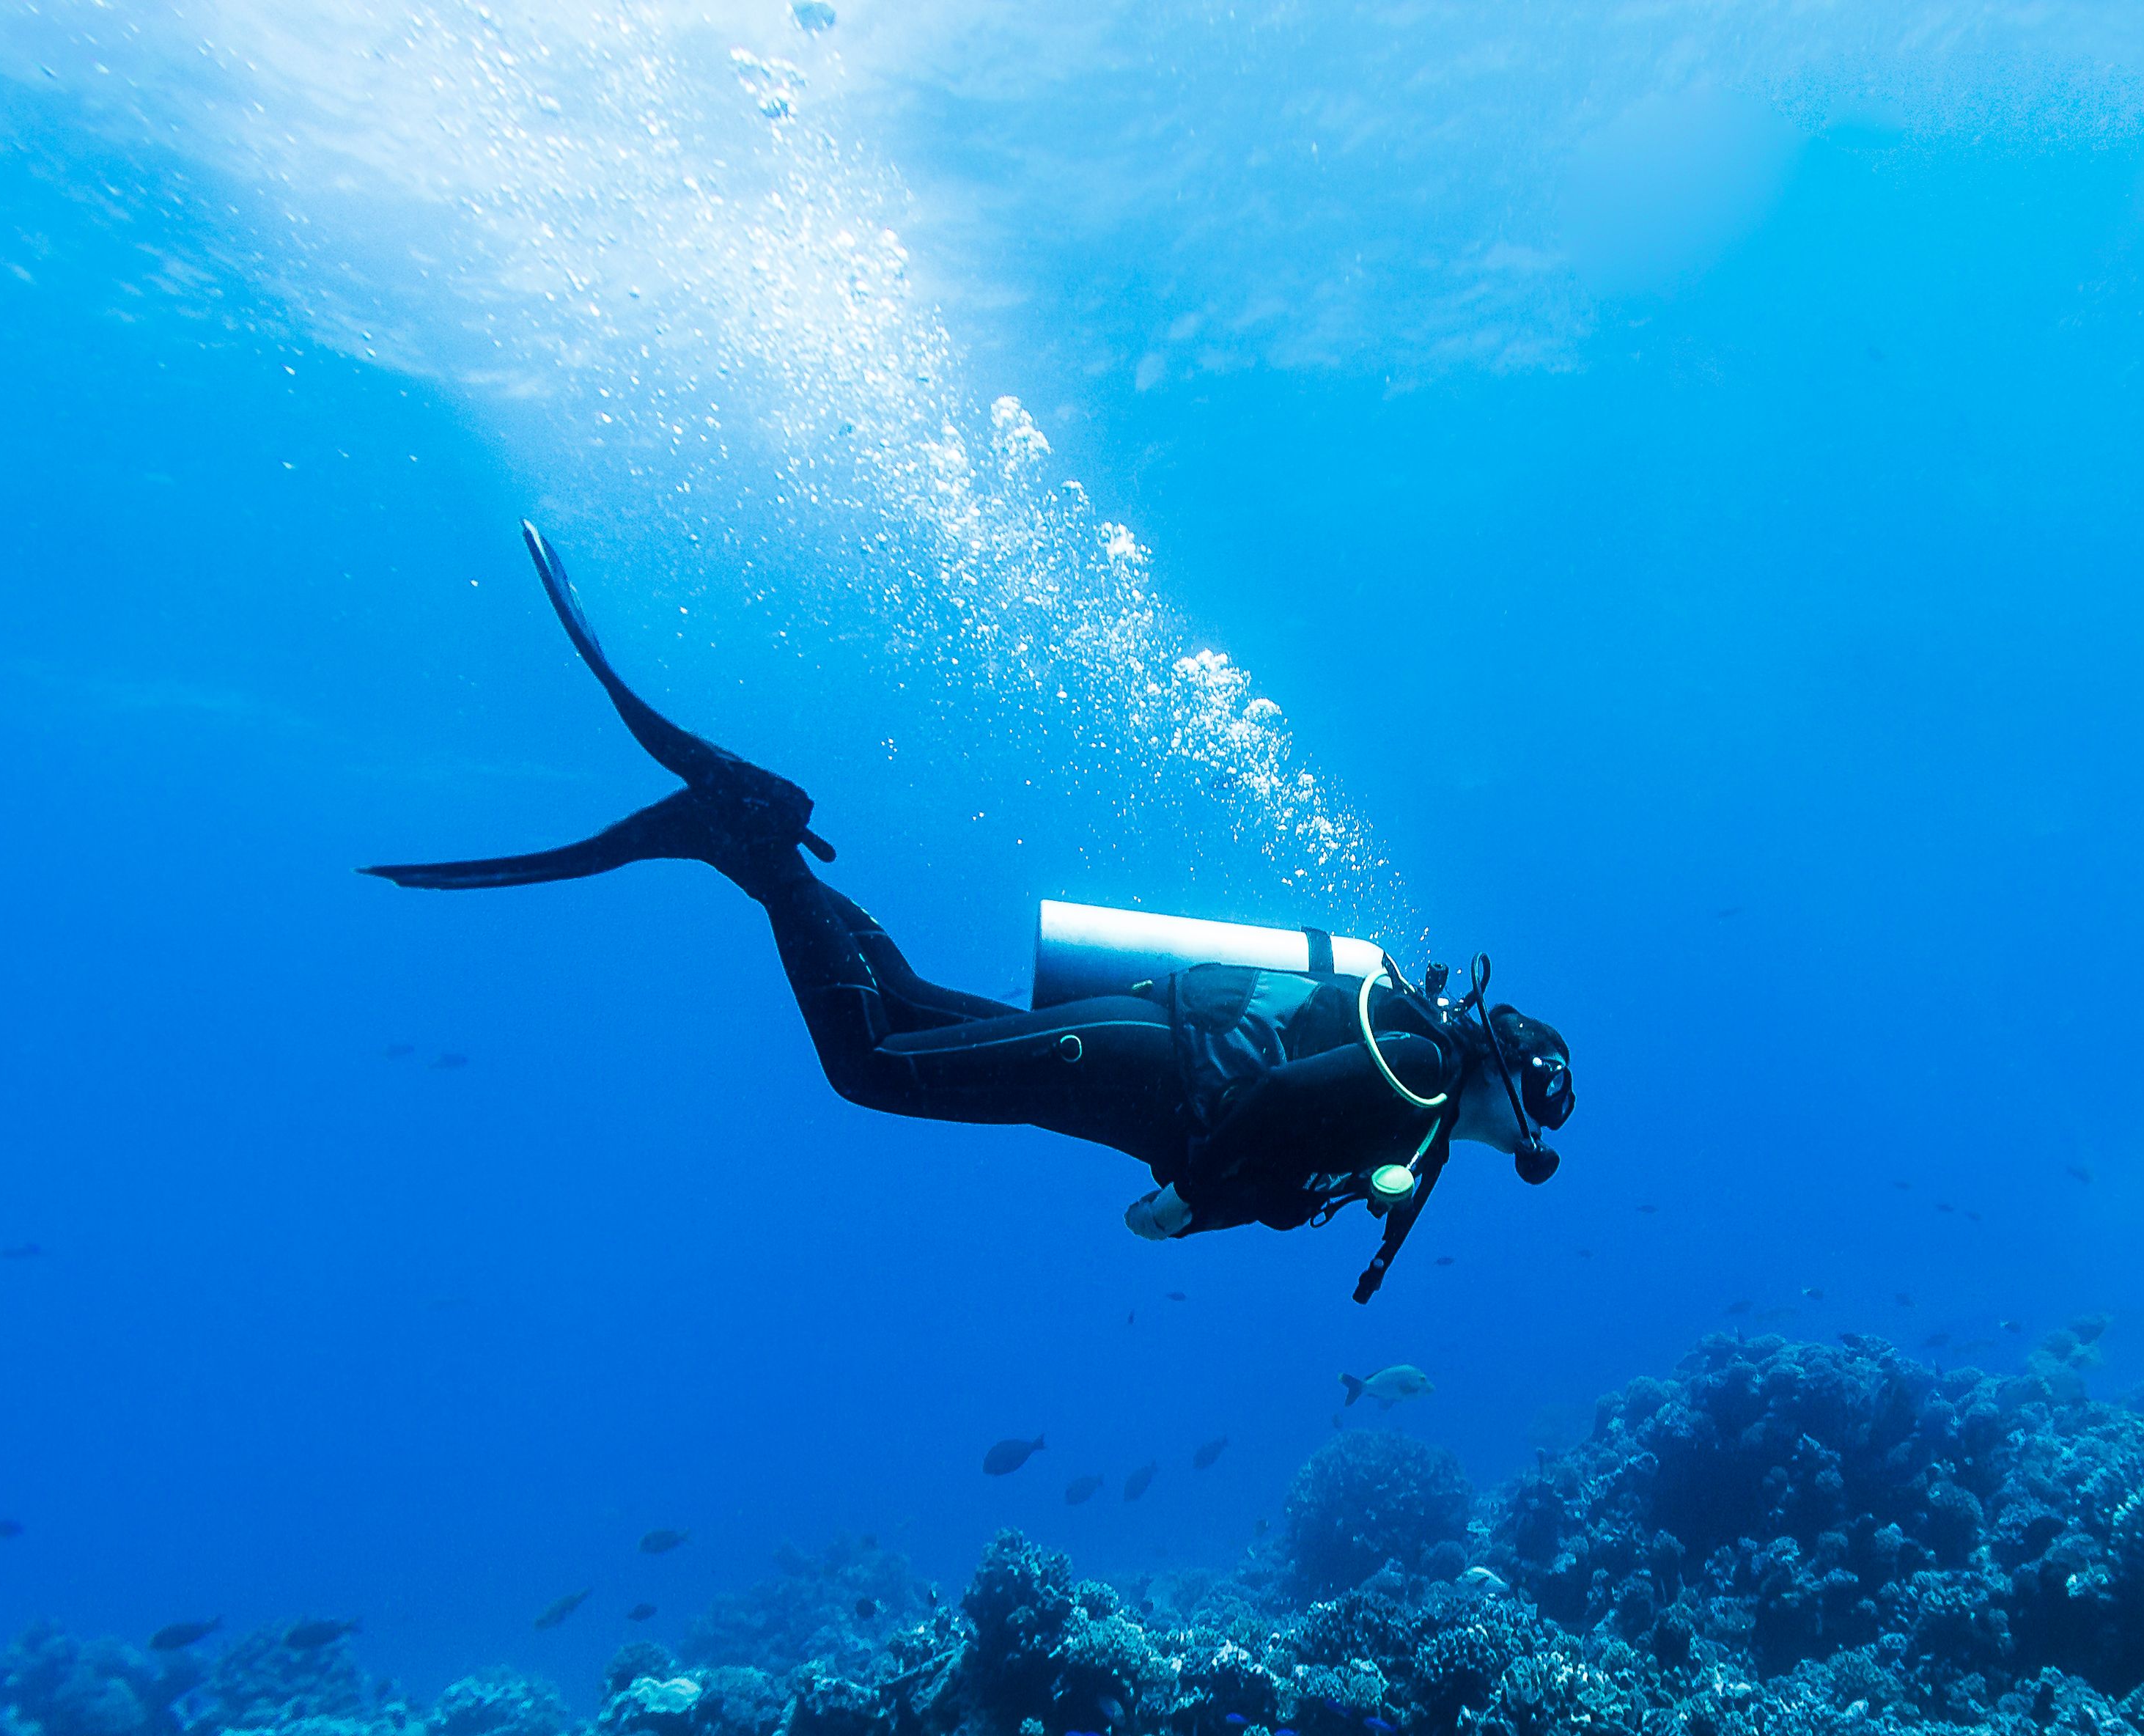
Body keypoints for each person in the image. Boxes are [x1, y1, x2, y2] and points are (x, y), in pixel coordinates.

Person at [369, 528, 1574, 1301]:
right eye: (1533, 1121)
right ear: (1506, 1088)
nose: (1520, 1144)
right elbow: (1271, 1105)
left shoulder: (1417, 1107)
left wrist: (1214, 1200)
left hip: (1133, 1062)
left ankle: (743, 850)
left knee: (907, 1004)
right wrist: (1192, 1210)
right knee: (875, 1065)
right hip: (1143, 1069)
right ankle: (761, 839)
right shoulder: (1414, 1069)